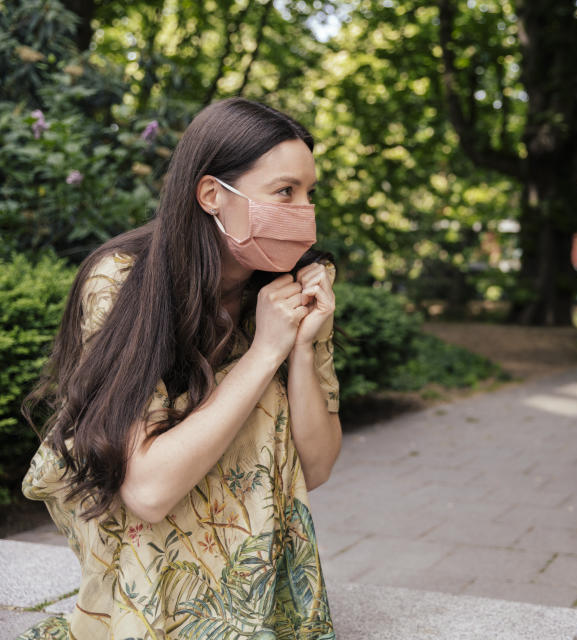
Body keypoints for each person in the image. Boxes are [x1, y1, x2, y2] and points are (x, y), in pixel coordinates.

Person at [19, 97, 341, 639]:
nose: (303, 210)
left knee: (265, 395)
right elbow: (146, 492)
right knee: (251, 386)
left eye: (310, 193)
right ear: (214, 195)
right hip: (142, 547)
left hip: (249, 560)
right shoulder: (125, 281)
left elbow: (316, 468)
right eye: (285, 192)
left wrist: (301, 349)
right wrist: (265, 352)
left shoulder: (295, 289)